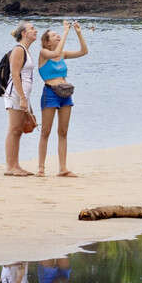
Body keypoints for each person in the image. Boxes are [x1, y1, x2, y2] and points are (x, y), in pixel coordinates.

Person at [37, 21, 89, 177]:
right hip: (50, 93)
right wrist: (66, 31)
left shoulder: (63, 54)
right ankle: (41, 167)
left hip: (65, 93)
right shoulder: (44, 53)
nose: (58, 36)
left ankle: (63, 168)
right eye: (54, 35)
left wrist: (78, 32)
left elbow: (84, 52)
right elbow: (54, 54)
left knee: (63, 132)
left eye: (58, 34)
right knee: (46, 131)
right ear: (47, 42)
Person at [4, 22, 38, 176]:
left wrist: (28, 103)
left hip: (23, 95)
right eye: (32, 29)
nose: (35, 30)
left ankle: (15, 165)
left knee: (19, 130)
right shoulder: (18, 50)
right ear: (24, 33)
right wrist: (22, 98)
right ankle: (11, 167)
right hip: (15, 94)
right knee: (14, 129)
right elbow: (15, 74)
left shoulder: (27, 50)